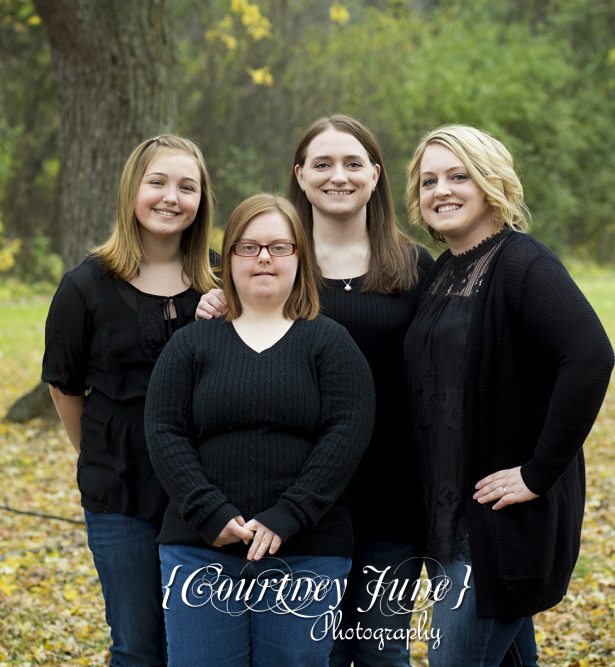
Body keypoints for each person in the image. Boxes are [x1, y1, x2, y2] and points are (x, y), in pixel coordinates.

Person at [196, 115, 434, 667]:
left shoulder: (414, 266)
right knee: (312, 656)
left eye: (353, 164)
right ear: (299, 176)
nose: (338, 176)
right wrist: (215, 306)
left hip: (390, 496)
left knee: (380, 653)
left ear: (376, 176)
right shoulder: (275, 264)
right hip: (299, 499)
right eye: (322, 164)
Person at [402, 125, 615, 667]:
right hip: (450, 514)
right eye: (428, 181)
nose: (441, 190)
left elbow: (590, 357)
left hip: (499, 522)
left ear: (491, 181)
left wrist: (538, 472)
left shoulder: (523, 263)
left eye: (458, 175)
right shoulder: (444, 272)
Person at [146, 193, 376, 667]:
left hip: (307, 553)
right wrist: (209, 513)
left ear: (300, 258)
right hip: (200, 551)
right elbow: (165, 431)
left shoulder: (329, 342)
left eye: (279, 246)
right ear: (228, 258)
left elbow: (347, 433)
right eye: (248, 247)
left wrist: (287, 515)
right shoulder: (192, 343)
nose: (264, 258)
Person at [42, 135, 219, 667]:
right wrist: (99, 452)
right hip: (119, 486)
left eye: (187, 186)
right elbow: (64, 385)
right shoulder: (85, 286)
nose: (171, 197)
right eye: (157, 182)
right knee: (138, 645)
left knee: (199, 646)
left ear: (201, 200)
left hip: (207, 488)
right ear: (131, 192)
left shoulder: (223, 276)